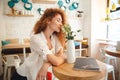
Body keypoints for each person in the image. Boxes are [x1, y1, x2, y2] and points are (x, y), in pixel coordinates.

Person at [11, 8, 67, 80]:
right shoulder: (36, 38)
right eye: (58, 20)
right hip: (23, 76)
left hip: (38, 74)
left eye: (61, 21)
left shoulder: (54, 38)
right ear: (48, 21)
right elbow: (56, 61)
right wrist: (56, 59)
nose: (61, 24)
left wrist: (46, 64)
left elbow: (61, 55)